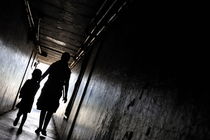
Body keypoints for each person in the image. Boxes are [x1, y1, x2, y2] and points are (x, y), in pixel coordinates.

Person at [35, 52, 71, 136]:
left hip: (48, 88)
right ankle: (43, 129)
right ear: (68, 59)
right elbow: (67, 84)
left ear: (62, 57)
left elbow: (45, 74)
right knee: (50, 111)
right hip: (56, 91)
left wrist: (39, 81)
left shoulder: (55, 65)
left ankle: (40, 127)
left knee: (44, 109)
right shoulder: (67, 70)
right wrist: (65, 95)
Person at [13, 69, 42, 134]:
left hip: (26, 99)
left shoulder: (30, 82)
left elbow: (23, 88)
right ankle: (20, 123)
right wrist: (21, 93)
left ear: (33, 75)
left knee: (21, 112)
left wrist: (21, 94)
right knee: (23, 113)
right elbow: (23, 88)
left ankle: (20, 124)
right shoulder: (37, 85)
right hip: (29, 100)